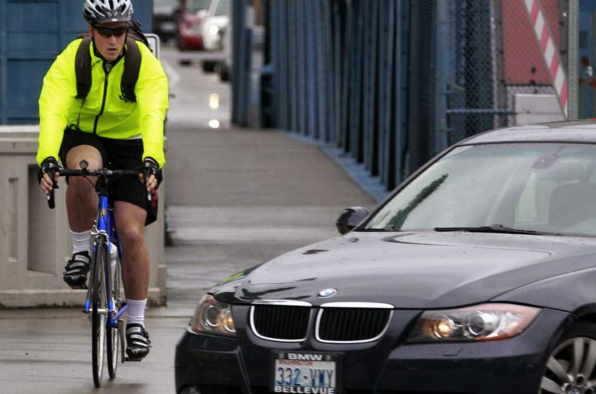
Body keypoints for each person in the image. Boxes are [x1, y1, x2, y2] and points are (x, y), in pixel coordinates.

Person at [36, 0, 168, 361]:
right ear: (91, 31)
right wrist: (47, 157)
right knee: (81, 169)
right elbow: (53, 108)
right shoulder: (72, 59)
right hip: (86, 137)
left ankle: (137, 324)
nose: (113, 40)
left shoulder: (143, 63)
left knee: (129, 233)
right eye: (106, 32)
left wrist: (152, 160)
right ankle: (81, 252)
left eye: (120, 31)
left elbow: (154, 114)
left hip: (130, 145)